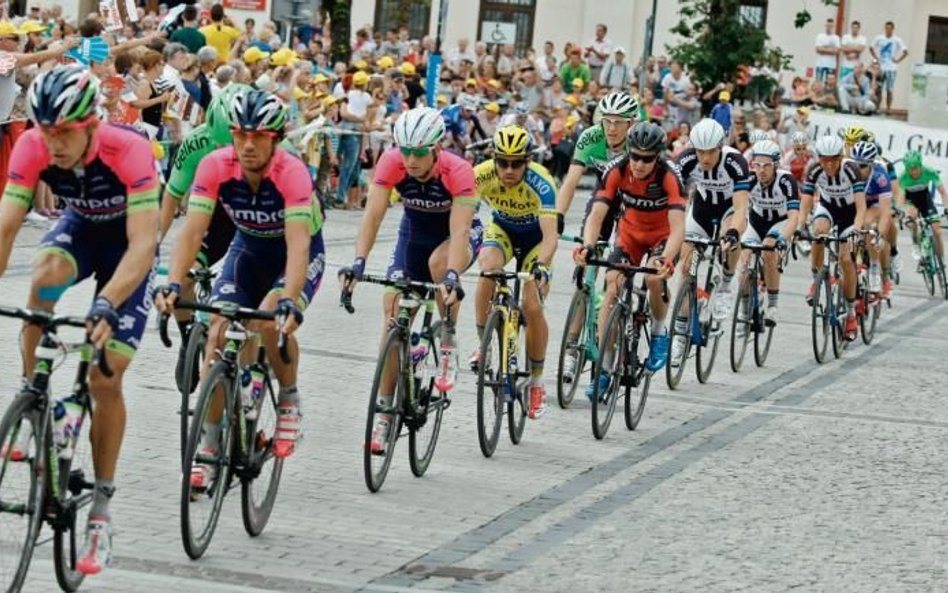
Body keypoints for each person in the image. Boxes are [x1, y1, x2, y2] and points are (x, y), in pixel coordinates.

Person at [0, 65, 160, 576]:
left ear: (91, 123)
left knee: (104, 374)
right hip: (80, 231)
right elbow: (5, 226)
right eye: (46, 130)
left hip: (127, 251)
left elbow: (143, 244)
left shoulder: (127, 149)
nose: (54, 142)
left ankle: (102, 507)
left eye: (64, 131)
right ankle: (34, 395)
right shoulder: (33, 146)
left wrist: (108, 303)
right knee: (43, 275)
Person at [156, 90, 324, 482]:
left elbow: (299, 244)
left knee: (267, 322)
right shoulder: (215, 165)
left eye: (258, 136)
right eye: (240, 134)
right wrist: (172, 282)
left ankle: (288, 398)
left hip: (291, 253)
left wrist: (288, 301)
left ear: (275, 138)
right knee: (217, 332)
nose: (248, 144)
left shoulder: (292, 171)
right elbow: (192, 232)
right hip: (247, 248)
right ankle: (209, 447)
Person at [339, 107, 481, 452]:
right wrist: (359, 261)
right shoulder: (392, 162)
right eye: (405, 151)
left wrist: (452, 275)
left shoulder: (458, 170)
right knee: (392, 318)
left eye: (419, 153)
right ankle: (386, 413)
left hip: (455, 237)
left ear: (436, 149)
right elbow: (372, 216)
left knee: (438, 265)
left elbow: (460, 229)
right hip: (413, 234)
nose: (411, 160)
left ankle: (447, 338)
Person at [575, 122, 684, 388]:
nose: (639, 163)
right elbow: (596, 215)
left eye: (646, 159)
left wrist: (666, 259)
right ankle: (605, 366)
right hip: (630, 237)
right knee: (612, 287)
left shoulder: (669, 176)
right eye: (635, 156)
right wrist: (589, 246)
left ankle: (659, 334)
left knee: (653, 280)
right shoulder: (617, 170)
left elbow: (679, 226)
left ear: (657, 157)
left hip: (663, 237)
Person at [470, 126, 558, 419]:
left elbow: (550, 238)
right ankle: (484, 345)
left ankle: (536, 381)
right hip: (503, 229)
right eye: (502, 162)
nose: (508, 169)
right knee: (488, 269)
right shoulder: (481, 174)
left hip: (536, 241)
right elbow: (459, 212)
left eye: (516, 163)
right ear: (493, 159)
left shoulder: (542, 183)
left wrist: (542, 266)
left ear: (528, 161)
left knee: (532, 305)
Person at [675, 119, 750, 321]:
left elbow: (741, 206)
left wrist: (734, 232)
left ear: (720, 146)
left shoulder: (735, 161)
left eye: (710, 152)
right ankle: (681, 331)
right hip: (702, 209)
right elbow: (672, 196)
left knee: (732, 236)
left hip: (729, 209)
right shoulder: (686, 159)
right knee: (686, 265)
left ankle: (725, 286)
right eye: (700, 152)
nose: (705, 158)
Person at [798, 135, 866, 342]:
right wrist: (801, 226)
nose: (828, 164)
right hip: (828, 209)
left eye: (833, 159)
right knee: (818, 231)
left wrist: (857, 228)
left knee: (847, 260)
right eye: (824, 159)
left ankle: (852, 313)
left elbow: (861, 207)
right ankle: (816, 280)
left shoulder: (851, 170)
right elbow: (807, 202)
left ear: (841, 157)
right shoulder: (814, 169)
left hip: (850, 215)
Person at [733, 140, 799, 329]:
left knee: (769, 250)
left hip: (779, 223)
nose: (761, 170)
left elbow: (794, 217)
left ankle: (772, 304)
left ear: (776, 165)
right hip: (756, 222)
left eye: (766, 166)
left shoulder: (786, 181)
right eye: (757, 165)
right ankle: (746, 309)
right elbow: (739, 208)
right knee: (744, 264)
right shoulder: (750, 180)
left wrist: (783, 239)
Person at [849, 141, 892, 295]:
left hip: (874, 204)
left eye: (862, 167)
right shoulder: (847, 171)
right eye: (855, 165)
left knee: (867, 225)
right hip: (855, 203)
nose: (858, 170)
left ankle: (874, 268)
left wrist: (879, 235)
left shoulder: (880, 175)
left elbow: (886, 210)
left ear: (871, 165)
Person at [896, 150, 947, 264]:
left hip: (925, 200)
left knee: (937, 231)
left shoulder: (929, 172)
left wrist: (946, 207)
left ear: (920, 165)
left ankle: (941, 260)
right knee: (912, 219)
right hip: (910, 202)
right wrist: (900, 212)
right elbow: (900, 197)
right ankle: (915, 243)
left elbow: (943, 192)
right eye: (910, 168)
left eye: (915, 168)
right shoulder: (903, 177)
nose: (913, 171)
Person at [869, 21, 908, 114]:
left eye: (890, 28)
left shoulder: (897, 40)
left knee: (889, 89)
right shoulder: (879, 38)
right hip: (881, 68)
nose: (888, 30)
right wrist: (876, 58)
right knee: (879, 89)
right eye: (886, 28)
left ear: (893, 29)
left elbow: (906, 52)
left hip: (891, 69)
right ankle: (877, 108)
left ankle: (888, 108)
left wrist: (898, 60)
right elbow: (871, 47)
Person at [814, 18, 840, 83]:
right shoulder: (820, 36)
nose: (829, 27)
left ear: (833, 26)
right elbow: (817, 49)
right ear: (825, 25)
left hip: (831, 65)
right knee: (818, 83)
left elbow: (836, 51)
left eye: (831, 26)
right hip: (820, 64)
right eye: (828, 25)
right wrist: (831, 48)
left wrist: (823, 48)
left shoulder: (836, 38)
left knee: (829, 84)